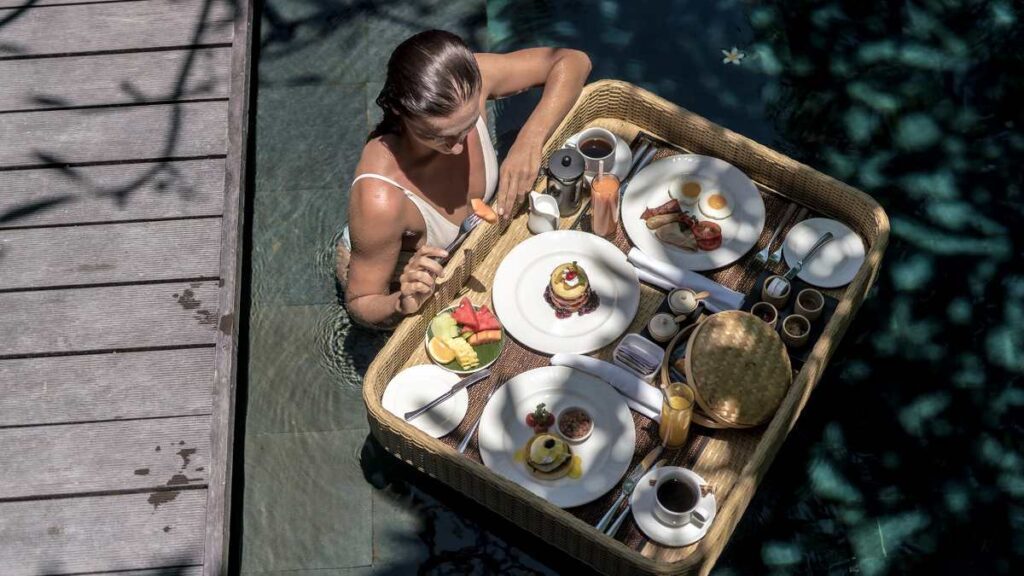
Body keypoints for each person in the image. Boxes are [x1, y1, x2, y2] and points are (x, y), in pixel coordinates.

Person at [337, 30, 591, 329]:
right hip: (394, 275)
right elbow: (360, 302)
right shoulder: (381, 199)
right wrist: (400, 302)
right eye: (439, 136)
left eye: (468, 125)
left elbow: (573, 61)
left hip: (462, 248)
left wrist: (529, 141)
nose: (458, 147)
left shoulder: (469, 80)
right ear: (399, 112)